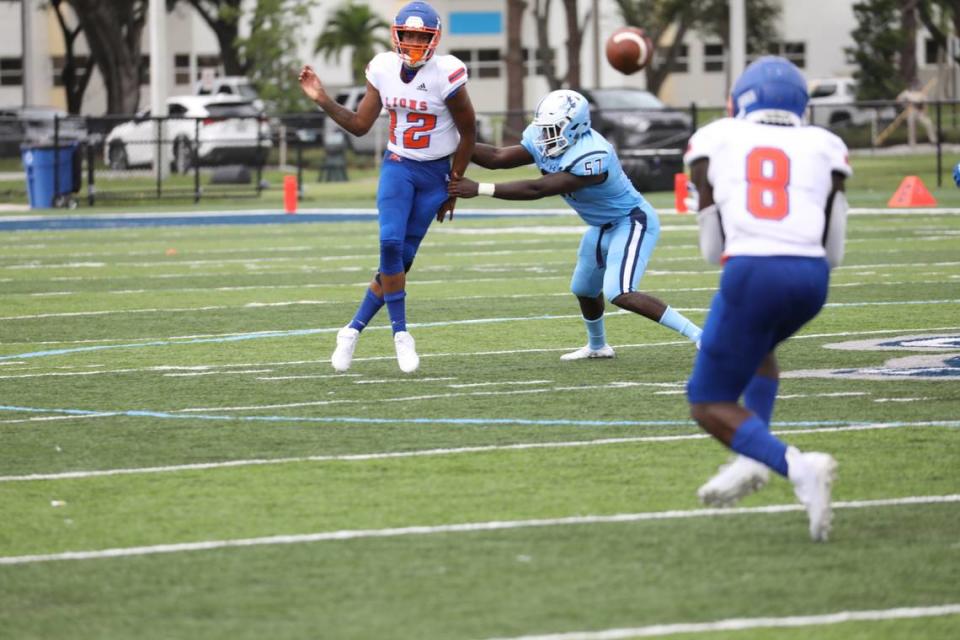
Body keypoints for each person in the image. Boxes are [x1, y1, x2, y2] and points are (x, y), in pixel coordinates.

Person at [683, 56, 851, 542]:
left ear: (739, 102)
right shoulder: (826, 145)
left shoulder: (715, 138)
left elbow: (714, 249)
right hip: (812, 279)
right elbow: (833, 248)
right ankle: (748, 457)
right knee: (761, 351)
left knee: (707, 400)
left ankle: (796, 466)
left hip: (753, 270)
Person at [447, 89, 702, 360]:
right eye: (544, 128)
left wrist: (480, 188)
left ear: (575, 127)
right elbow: (498, 157)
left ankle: (702, 336)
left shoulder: (593, 154)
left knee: (621, 292)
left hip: (631, 220)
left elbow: (538, 188)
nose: (546, 136)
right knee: (584, 289)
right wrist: (453, 142)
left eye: (553, 129)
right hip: (602, 225)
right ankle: (598, 346)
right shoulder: (546, 138)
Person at [298, 1, 476, 373]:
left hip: (434, 177)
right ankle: (401, 334)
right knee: (390, 243)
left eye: (420, 36)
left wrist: (454, 186)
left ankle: (351, 330)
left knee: (400, 261)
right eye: (407, 35)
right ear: (396, 36)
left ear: (434, 39)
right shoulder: (382, 67)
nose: (412, 42)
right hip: (399, 166)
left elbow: (469, 132)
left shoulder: (448, 72)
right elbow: (362, 125)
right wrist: (322, 99)